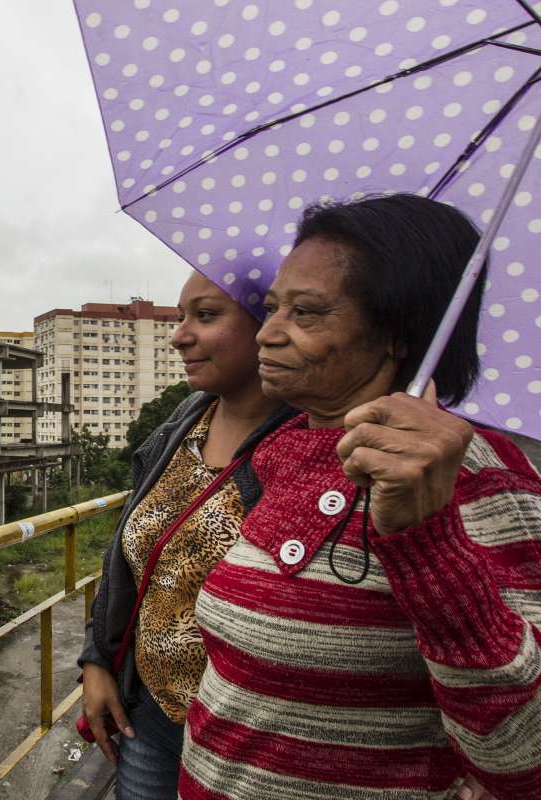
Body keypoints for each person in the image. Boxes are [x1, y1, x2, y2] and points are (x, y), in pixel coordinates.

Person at [180, 194, 541, 799]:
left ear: (396, 334)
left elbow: (522, 757)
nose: (267, 333)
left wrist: (427, 540)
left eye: (308, 313)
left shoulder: (477, 480)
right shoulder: (288, 449)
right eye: (272, 308)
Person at [78, 271, 293, 799]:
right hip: (150, 713)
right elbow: (131, 554)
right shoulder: (184, 421)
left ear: (268, 324)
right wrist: (98, 660)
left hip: (250, 738)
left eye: (206, 315)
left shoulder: (315, 445)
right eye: (178, 318)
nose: (178, 336)